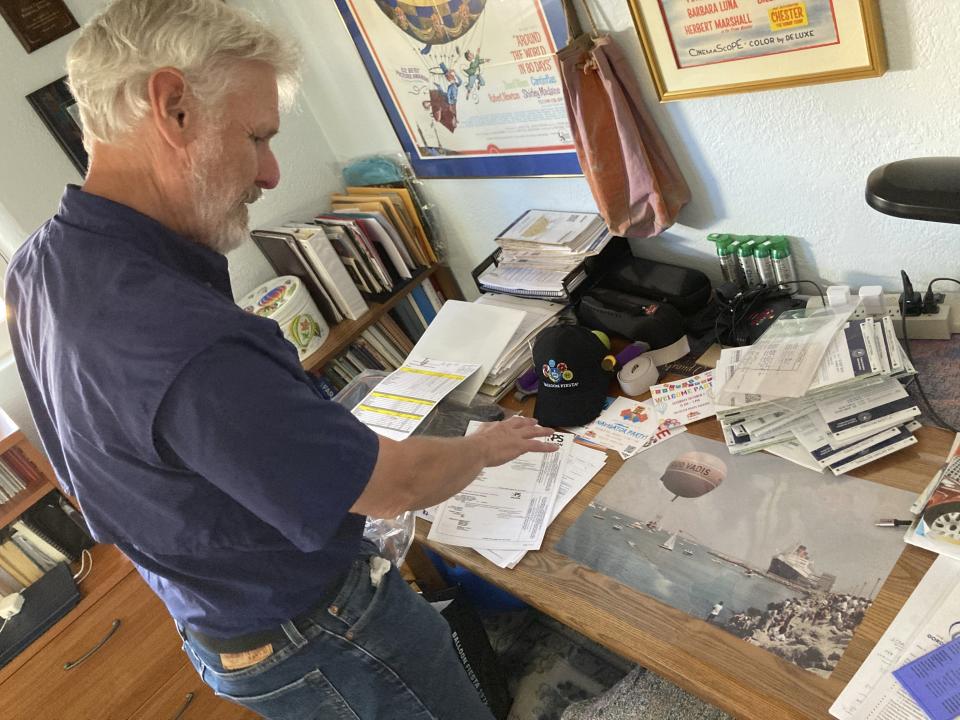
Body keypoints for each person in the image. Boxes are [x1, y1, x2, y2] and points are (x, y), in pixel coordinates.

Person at [4, 2, 557, 718]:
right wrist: (484, 448)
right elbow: (392, 487)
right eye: (257, 136)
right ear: (171, 108)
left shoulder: (41, 261)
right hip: (320, 633)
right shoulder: (179, 337)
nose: (269, 173)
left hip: (215, 621)